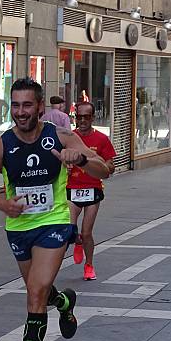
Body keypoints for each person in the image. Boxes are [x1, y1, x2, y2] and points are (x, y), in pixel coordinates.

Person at [0, 78, 110, 341]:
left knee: (34, 293)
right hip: (19, 228)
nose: (21, 112)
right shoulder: (4, 144)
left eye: (27, 105)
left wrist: (78, 160)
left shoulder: (60, 136)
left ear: (39, 108)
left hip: (54, 223)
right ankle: (64, 303)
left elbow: (104, 169)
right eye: (16, 105)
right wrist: (3, 204)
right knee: (42, 292)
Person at [67, 102, 116, 281]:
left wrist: (97, 162)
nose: (82, 120)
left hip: (92, 189)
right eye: (78, 117)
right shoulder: (70, 137)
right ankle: (76, 241)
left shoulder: (101, 139)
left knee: (87, 232)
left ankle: (89, 265)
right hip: (72, 188)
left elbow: (111, 167)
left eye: (86, 117)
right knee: (69, 229)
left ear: (93, 118)